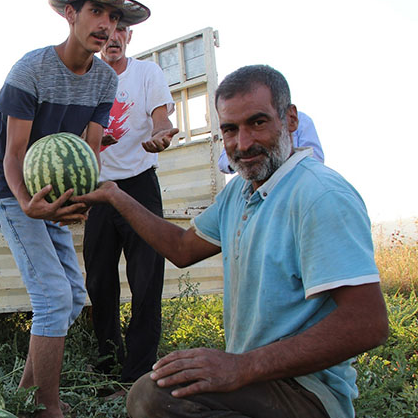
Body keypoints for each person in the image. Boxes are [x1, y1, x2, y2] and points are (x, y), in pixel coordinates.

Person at [72, 64, 389, 418]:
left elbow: (368, 323)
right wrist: (116, 195)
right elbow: (182, 249)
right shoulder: (240, 191)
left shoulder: (318, 194)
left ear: (291, 120)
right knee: (158, 390)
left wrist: (241, 368)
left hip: (307, 391)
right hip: (259, 377)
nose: (243, 143)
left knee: (151, 397)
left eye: (258, 122)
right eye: (230, 129)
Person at [0, 0, 150, 418]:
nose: (105, 26)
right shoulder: (31, 69)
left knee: (73, 296)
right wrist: (24, 202)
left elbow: (89, 151)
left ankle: (23, 395)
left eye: (113, 17)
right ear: (71, 14)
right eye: (96, 11)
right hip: (13, 190)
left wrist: (80, 200)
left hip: (55, 191)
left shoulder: (104, 82)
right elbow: (13, 155)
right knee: (53, 297)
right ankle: (46, 407)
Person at [83, 24, 178, 389]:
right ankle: (108, 364)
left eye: (121, 30)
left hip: (140, 186)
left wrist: (160, 135)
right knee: (100, 282)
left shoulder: (147, 73)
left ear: (129, 37)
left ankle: (137, 373)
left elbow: (162, 120)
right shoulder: (87, 80)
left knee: (147, 281)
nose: (113, 38)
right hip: (101, 189)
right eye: (107, 31)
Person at [218, 110, 324, 174]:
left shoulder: (301, 120)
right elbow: (223, 163)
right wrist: (245, 159)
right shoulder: (240, 125)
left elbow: (315, 158)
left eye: (259, 123)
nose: (244, 145)